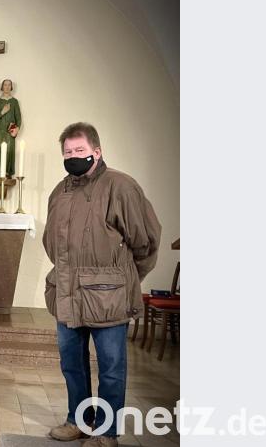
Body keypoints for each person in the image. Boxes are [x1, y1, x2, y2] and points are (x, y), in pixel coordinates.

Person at [43, 123, 161, 447]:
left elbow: (147, 242)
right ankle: (78, 421)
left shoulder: (121, 187)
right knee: (72, 365)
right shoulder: (60, 191)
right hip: (68, 293)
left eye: (79, 150)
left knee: (110, 368)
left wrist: (123, 280)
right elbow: (50, 241)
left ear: (97, 151)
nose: (72, 156)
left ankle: (107, 432)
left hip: (108, 297)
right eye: (67, 152)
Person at [0, 79, 22, 177]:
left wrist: (17, 129)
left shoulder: (14, 102)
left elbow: (19, 118)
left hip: (10, 131)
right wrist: (2, 112)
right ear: (2, 87)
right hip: (0, 131)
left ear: (11, 87)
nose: (7, 87)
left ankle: (7, 171)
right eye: (5, 85)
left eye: (9, 85)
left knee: (9, 150)